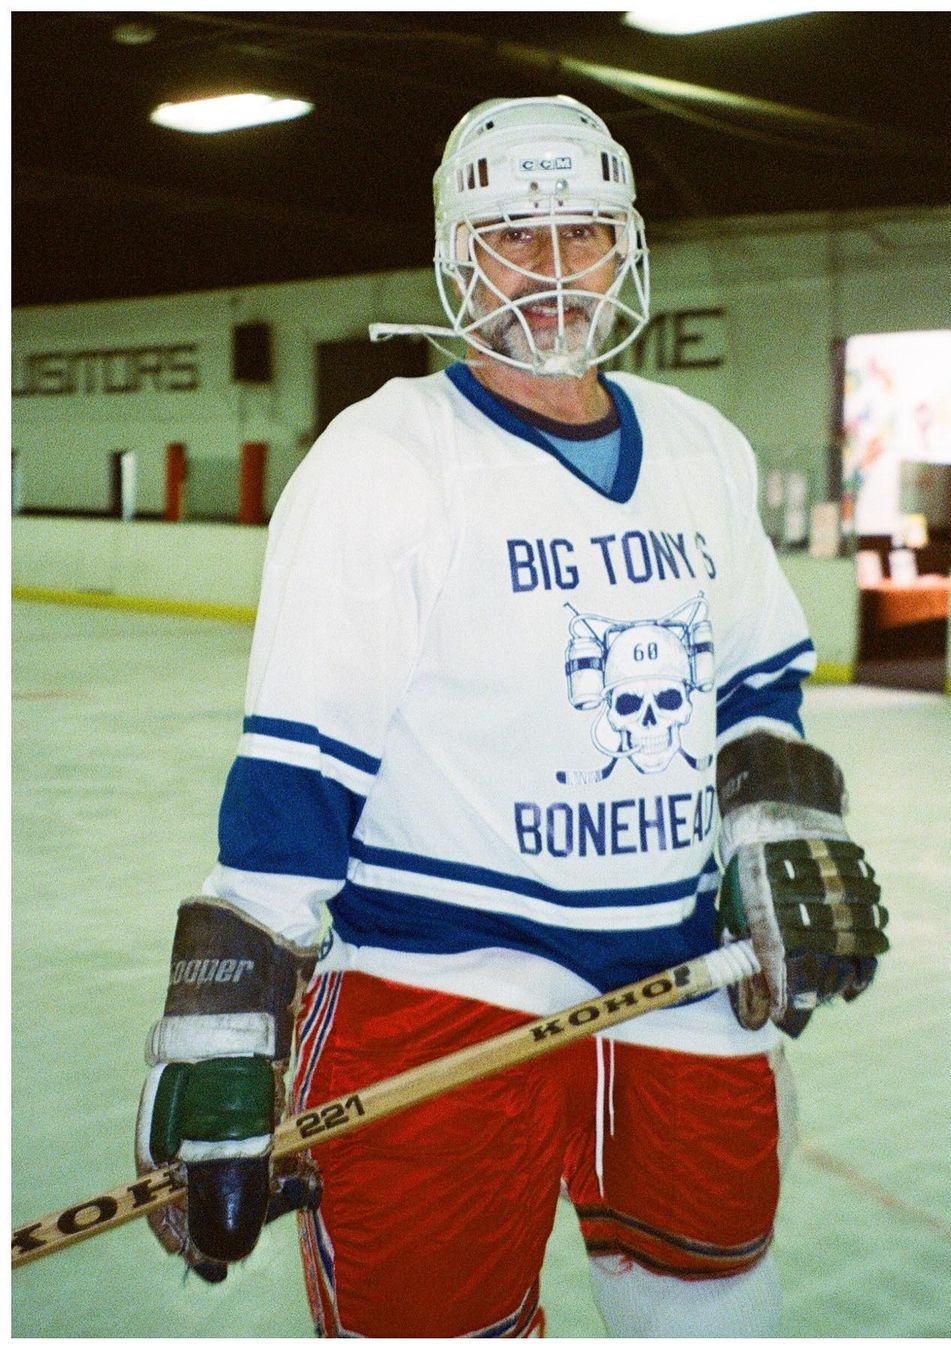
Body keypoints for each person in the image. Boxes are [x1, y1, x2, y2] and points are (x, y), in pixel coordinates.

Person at [135, 94, 888, 1337]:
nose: (549, 267)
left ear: (624, 248)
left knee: (718, 1299)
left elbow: (755, 680)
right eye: (511, 236)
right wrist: (221, 1024)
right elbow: (295, 776)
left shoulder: (700, 446)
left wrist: (776, 826)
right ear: (457, 256)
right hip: (439, 983)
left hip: (682, 977)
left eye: (582, 231)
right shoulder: (383, 458)